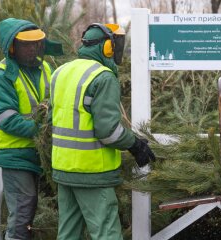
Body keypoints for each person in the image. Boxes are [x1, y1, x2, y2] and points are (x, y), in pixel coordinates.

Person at [50, 23, 156, 239]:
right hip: (91, 171)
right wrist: (135, 144)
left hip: (63, 167)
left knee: (68, 233)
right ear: (107, 47)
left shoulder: (60, 72)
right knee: (106, 232)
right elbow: (108, 131)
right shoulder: (103, 76)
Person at [0, 18, 63, 239]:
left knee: (27, 211)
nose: (33, 49)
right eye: (26, 45)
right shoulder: (1, 76)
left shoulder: (46, 68)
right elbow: (8, 120)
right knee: (22, 213)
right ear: (12, 47)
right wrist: (43, 131)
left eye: (36, 44)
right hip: (15, 154)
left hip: (40, 153)